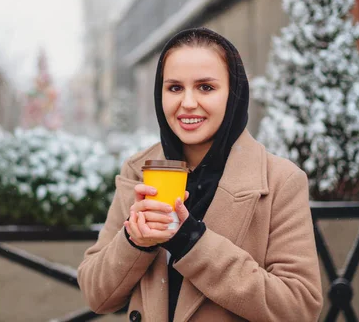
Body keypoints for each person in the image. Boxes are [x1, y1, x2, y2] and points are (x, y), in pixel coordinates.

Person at [78, 27, 323, 322]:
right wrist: (133, 241)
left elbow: (299, 308)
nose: (188, 103)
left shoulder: (280, 180)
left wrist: (193, 243)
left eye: (206, 87)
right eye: (175, 88)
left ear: (233, 93)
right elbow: (96, 295)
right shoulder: (138, 170)